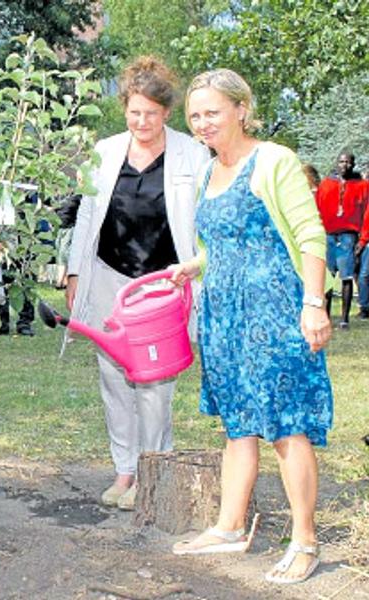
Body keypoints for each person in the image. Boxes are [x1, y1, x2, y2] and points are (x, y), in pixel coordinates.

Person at [170, 69, 333, 586]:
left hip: (277, 312)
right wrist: (194, 265)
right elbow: (220, 246)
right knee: (238, 424)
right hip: (224, 317)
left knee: (287, 427)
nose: (202, 124)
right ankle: (229, 526)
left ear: (241, 109)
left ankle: (305, 542)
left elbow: (310, 235)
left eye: (212, 112)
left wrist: (314, 304)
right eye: (195, 116)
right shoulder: (205, 171)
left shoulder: (274, 161)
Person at [65, 56, 209, 511]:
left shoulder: (192, 154)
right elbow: (87, 214)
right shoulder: (105, 152)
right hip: (109, 278)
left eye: (151, 113)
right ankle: (124, 470)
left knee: (154, 383)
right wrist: (73, 272)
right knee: (112, 376)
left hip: (163, 285)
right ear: (124, 109)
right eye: (134, 112)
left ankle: (154, 468)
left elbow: (203, 221)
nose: (142, 121)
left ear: (166, 112)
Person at [314, 151, 368, 328]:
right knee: (328, 278)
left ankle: (344, 319)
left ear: (353, 164)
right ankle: (326, 317)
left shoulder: (362, 185)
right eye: (341, 161)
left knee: (346, 278)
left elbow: (367, 214)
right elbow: (317, 209)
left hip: (348, 236)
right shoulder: (326, 184)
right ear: (337, 163)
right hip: (328, 235)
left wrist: (363, 240)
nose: (344, 165)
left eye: (348, 162)